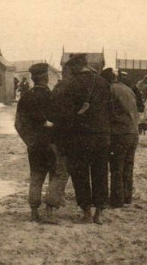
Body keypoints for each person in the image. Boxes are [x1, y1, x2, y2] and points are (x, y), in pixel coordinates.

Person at [50, 54, 111, 225]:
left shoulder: (70, 84)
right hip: (101, 137)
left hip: (79, 138)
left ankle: (86, 213)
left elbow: (62, 115)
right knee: (100, 173)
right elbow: (110, 111)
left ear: (75, 67)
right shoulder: (103, 83)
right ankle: (99, 212)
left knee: (81, 175)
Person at [15, 63, 68, 224]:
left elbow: (19, 124)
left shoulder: (25, 98)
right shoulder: (54, 97)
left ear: (32, 78)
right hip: (52, 144)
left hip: (34, 145)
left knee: (36, 176)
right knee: (58, 175)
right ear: (46, 77)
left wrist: (29, 141)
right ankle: (49, 211)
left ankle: (33, 212)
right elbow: (62, 122)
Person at [105, 68, 139, 207]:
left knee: (116, 167)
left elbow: (108, 112)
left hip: (120, 133)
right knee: (128, 165)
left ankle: (116, 200)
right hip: (133, 132)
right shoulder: (128, 89)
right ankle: (127, 197)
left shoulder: (110, 90)